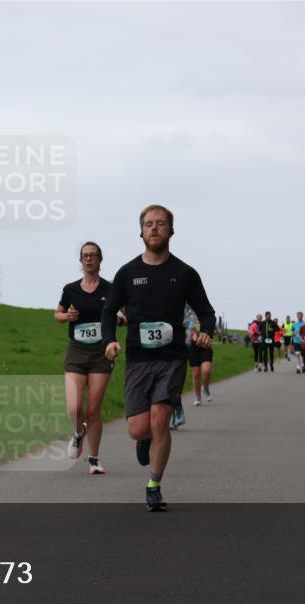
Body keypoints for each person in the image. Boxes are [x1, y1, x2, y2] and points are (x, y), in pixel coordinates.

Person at [102, 204, 215, 512]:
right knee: (139, 428)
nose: (154, 228)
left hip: (172, 358)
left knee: (161, 419)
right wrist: (110, 340)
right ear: (141, 231)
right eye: (149, 224)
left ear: (171, 231)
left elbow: (206, 311)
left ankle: (154, 485)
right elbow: (109, 311)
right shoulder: (127, 273)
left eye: (161, 223)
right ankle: (144, 440)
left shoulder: (185, 274)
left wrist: (206, 331)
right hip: (138, 359)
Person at [55, 242, 114, 474]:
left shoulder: (110, 289)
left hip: (101, 352)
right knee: (74, 407)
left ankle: (94, 459)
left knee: (93, 410)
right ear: (80, 261)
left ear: (100, 259)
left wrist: (118, 321)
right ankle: (79, 432)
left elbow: (126, 316)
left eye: (93, 255)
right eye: (85, 256)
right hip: (76, 352)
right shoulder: (70, 289)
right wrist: (67, 316)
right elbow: (57, 314)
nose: (88, 259)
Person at [187, 308, 214, 406]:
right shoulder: (187, 314)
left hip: (205, 345)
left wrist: (211, 331)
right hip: (192, 346)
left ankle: (205, 388)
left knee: (206, 371)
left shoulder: (205, 312)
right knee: (196, 373)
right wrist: (192, 334)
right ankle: (198, 397)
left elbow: (212, 325)